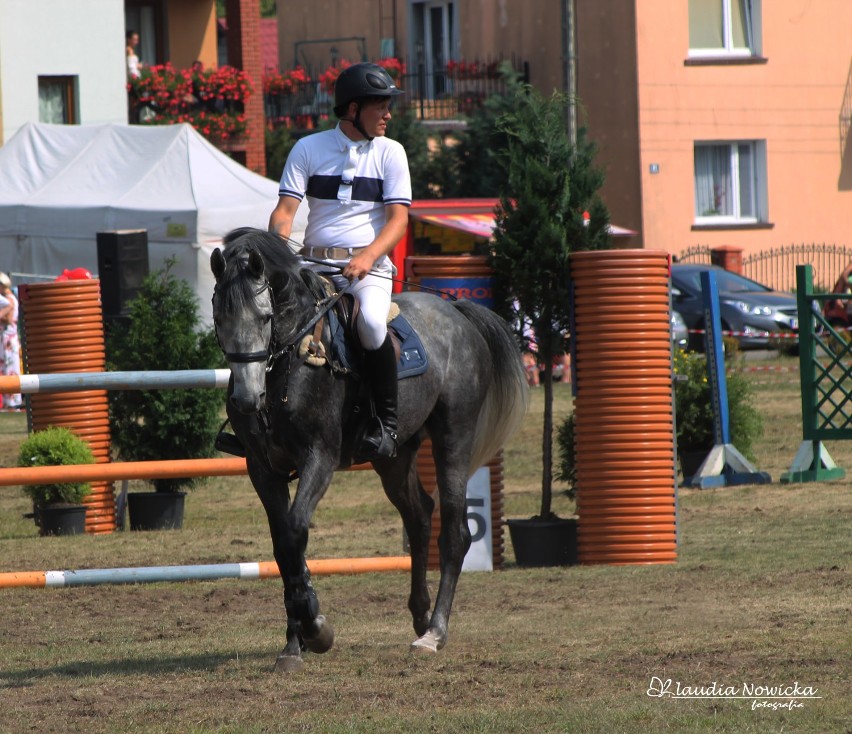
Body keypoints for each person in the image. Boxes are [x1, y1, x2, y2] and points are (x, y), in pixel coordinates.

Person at [268, 62, 411, 460]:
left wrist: (368, 256)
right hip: (313, 268)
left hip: (369, 270)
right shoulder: (308, 149)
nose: (388, 114)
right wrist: (278, 253)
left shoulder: (391, 153)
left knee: (368, 323)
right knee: (271, 320)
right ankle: (259, 420)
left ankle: (387, 426)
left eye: (388, 106)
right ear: (352, 110)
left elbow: (398, 220)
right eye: (380, 106)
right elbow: (284, 213)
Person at [0, 272, 22, 410]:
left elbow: (8, 319)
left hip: (8, 339)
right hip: (9, 338)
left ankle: (12, 403)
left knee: (10, 369)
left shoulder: (9, 299)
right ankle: (10, 402)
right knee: (9, 368)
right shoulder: (12, 298)